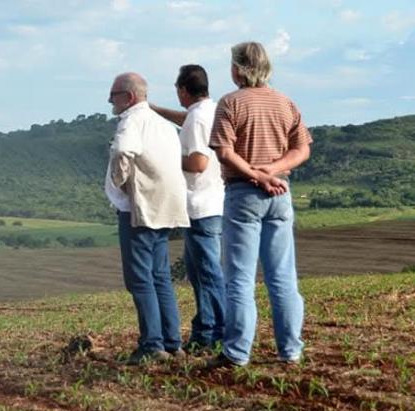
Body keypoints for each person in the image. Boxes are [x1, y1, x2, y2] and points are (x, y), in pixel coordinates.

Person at [207, 41, 312, 368]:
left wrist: (256, 173)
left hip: (243, 194)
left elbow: (224, 152)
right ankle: (290, 350)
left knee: (239, 277)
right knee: (282, 277)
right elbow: (302, 150)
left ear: (238, 68)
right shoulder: (285, 103)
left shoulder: (230, 103)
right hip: (281, 193)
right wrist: (274, 171)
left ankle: (237, 352)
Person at [105, 72, 190, 365]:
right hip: (167, 205)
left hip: (139, 208)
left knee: (140, 278)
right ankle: (172, 342)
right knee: (160, 276)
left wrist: (120, 181)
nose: (110, 101)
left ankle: (152, 344)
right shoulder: (163, 125)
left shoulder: (131, 120)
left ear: (129, 97)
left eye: (114, 95)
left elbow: (122, 150)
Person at [151, 65, 226, 355]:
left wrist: (166, 159)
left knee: (206, 273)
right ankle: (206, 329)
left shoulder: (196, 119)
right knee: (201, 273)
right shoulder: (211, 110)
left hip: (199, 205)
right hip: (214, 201)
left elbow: (198, 163)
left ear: (183, 90)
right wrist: (156, 110)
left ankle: (216, 331)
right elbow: (188, 119)